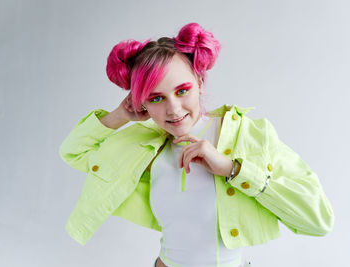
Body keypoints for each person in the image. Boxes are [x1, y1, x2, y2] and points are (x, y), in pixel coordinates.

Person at [59, 22, 335, 267]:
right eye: (156, 98)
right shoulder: (145, 147)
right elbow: (73, 152)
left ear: (200, 82)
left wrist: (233, 170)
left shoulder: (251, 136)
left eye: (182, 91)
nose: (173, 109)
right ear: (141, 103)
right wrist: (120, 115)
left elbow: (318, 220)